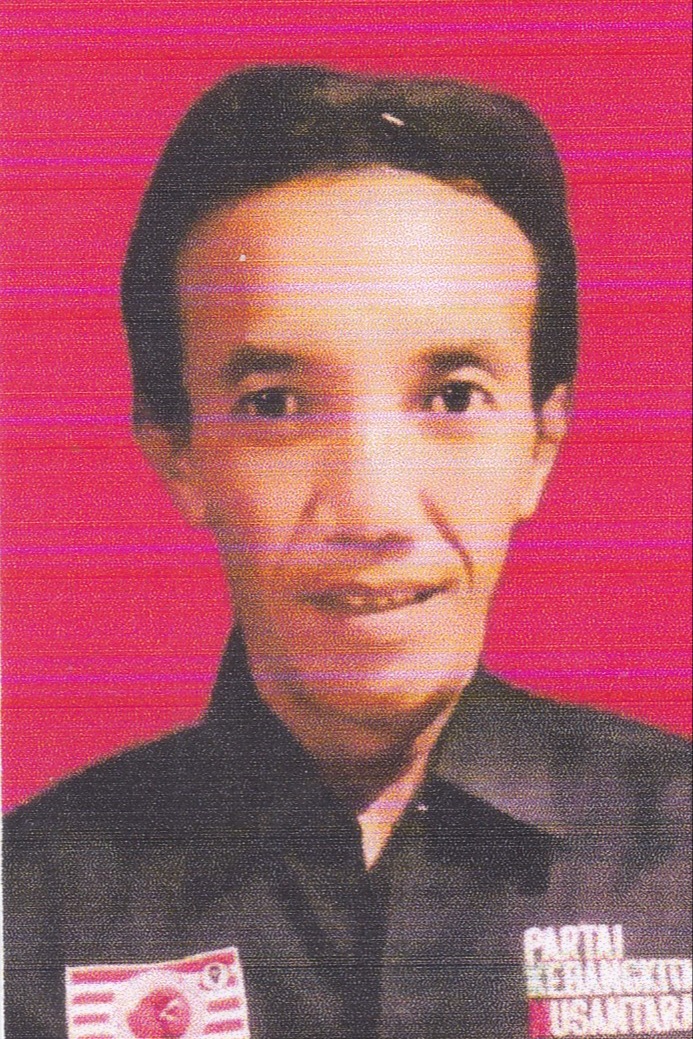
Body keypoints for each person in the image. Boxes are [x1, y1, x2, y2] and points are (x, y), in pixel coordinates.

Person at [4, 64, 691, 1039]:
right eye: (276, 404)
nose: (373, 510)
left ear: (540, 443)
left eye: (453, 397)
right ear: (179, 451)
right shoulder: (29, 907)